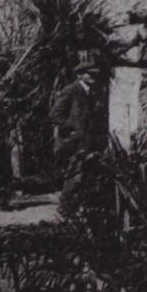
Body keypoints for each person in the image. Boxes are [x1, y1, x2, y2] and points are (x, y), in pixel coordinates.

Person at [50, 58, 108, 203]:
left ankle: (79, 209)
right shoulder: (71, 90)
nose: (93, 76)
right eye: (89, 74)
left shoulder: (92, 92)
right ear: (79, 75)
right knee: (74, 176)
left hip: (88, 142)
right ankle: (66, 209)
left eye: (95, 74)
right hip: (75, 143)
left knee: (86, 177)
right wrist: (71, 131)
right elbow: (55, 115)